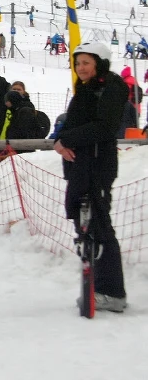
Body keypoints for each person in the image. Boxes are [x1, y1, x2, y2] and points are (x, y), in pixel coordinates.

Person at [55, 41, 128, 313]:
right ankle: (98, 286)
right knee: (86, 227)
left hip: (97, 165)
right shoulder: (87, 89)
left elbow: (104, 127)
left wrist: (65, 139)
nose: (80, 68)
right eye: (77, 63)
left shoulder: (110, 87)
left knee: (99, 226)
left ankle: (112, 291)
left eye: (86, 62)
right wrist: (61, 142)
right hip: (82, 166)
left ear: (99, 62)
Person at [119, 67, 141, 138]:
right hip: (136, 107)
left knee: (124, 125)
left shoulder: (126, 82)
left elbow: (124, 94)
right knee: (134, 125)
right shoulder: (134, 80)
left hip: (128, 107)